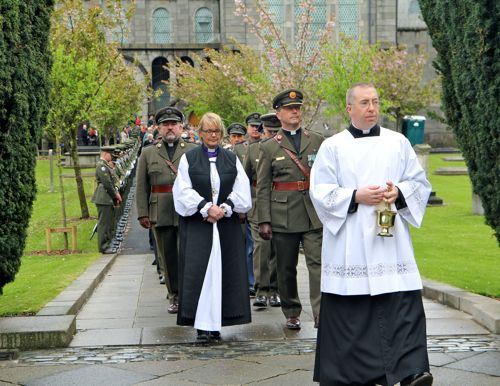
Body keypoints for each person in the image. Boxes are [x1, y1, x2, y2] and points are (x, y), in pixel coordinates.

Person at [310, 83, 433, 386]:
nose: (372, 109)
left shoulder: (398, 142)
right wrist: (354, 196)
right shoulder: (333, 146)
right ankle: (353, 374)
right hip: (349, 240)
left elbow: (419, 182)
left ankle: (412, 371)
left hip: (390, 241)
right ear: (349, 108)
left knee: (401, 303)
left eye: (376, 102)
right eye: (364, 103)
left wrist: (399, 191)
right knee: (353, 311)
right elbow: (320, 191)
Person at [173, 112, 252, 342]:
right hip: (199, 226)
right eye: (208, 131)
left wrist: (225, 207)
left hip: (225, 227)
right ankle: (201, 325)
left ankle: (217, 324)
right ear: (201, 134)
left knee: (222, 274)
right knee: (201, 274)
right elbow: (182, 190)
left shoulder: (231, 158)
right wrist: (205, 207)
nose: (213, 135)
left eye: (217, 131)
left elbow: (242, 190)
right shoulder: (189, 158)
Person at [256, 89, 324, 330]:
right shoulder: (269, 147)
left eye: (298, 107)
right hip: (283, 215)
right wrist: (263, 219)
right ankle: (292, 311)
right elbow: (263, 187)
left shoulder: (316, 140)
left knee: (318, 264)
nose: (295, 111)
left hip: (313, 213)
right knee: (286, 267)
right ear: (279, 113)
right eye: (289, 108)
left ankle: (320, 312)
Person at [136, 107, 197, 314]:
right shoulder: (148, 152)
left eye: (173, 124)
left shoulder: (192, 150)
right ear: (159, 129)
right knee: (167, 257)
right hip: (160, 211)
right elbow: (142, 185)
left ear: (181, 127)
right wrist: (143, 213)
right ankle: (175, 296)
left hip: (188, 211)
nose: (170, 128)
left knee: (188, 255)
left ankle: (190, 294)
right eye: (165, 125)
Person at [244, 112, 281, 308]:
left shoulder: (285, 148)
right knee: (261, 248)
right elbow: (245, 179)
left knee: (277, 248)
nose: (273, 135)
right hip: (258, 204)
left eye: (276, 131)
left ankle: (275, 290)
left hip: (281, 204)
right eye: (270, 132)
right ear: (263, 131)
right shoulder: (252, 150)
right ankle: (261, 289)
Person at [91, 146, 122, 254]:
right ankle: (103, 246)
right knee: (104, 223)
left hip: (107, 198)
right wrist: (116, 195)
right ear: (105, 154)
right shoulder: (102, 166)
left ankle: (108, 243)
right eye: (110, 154)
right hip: (104, 198)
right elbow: (107, 183)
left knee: (109, 222)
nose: (112, 156)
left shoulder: (105, 166)